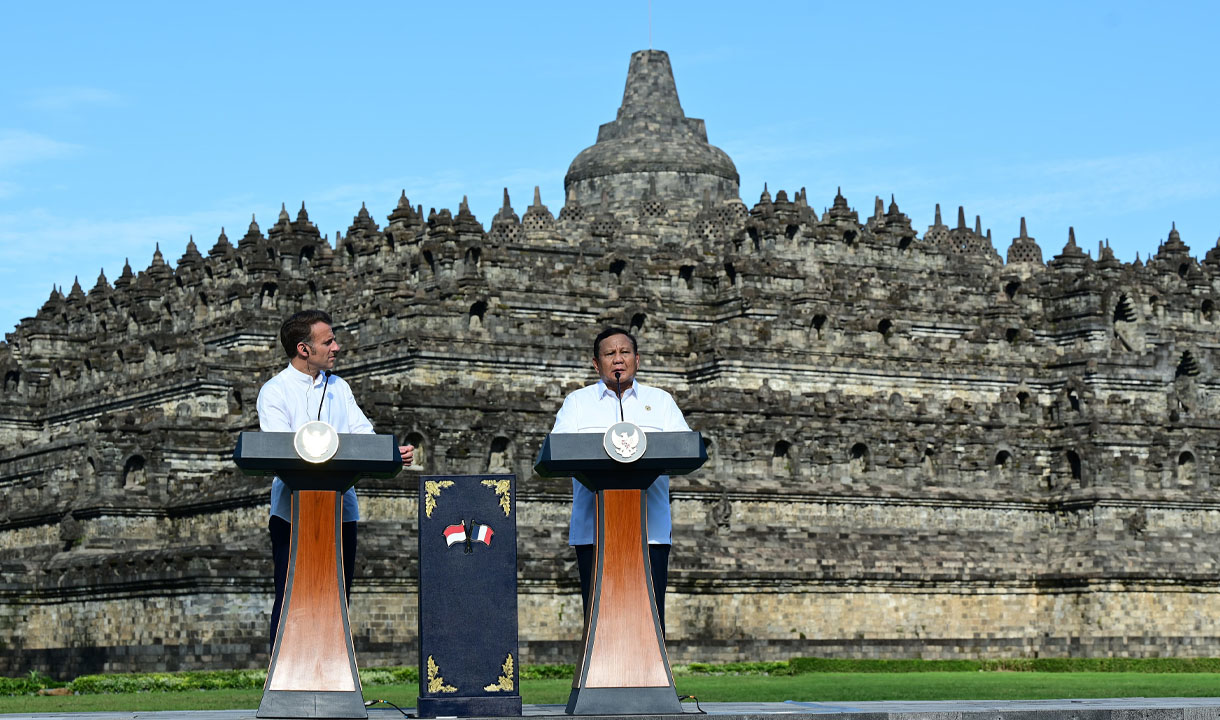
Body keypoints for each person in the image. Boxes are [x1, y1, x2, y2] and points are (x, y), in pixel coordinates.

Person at [256, 309, 413, 650]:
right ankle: (282, 687)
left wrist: (388, 452)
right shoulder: (275, 392)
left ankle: (334, 685)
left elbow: (362, 434)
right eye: (328, 341)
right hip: (292, 513)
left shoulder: (339, 388)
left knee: (337, 599)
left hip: (341, 510)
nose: (336, 347)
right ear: (303, 349)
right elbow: (279, 449)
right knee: (290, 598)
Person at [550, 326, 690, 631]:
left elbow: (685, 447)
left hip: (649, 532)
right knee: (601, 621)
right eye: (609, 354)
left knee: (649, 621)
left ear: (637, 360)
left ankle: (653, 679)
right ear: (595, 363)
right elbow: (557, 450)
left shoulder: (662, 402)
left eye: (624, 352)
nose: (618, 360)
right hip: (595, 534)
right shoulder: (577, 403)